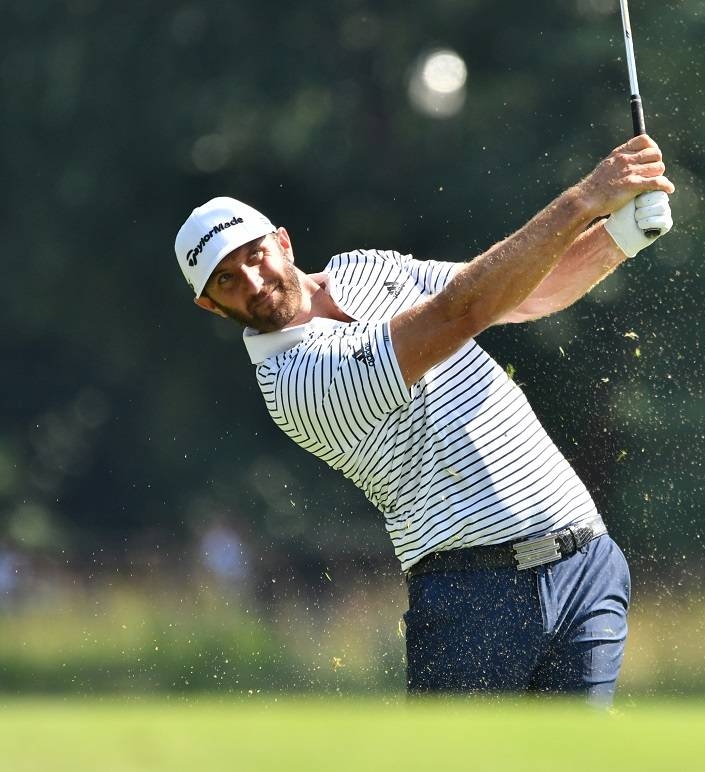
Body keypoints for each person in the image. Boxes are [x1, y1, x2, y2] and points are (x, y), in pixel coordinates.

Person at [174, 134, 675, 704]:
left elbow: (521, 294)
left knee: (583, 752)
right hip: (472, 594)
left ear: (282, 242)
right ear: (211, 305)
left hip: (585, 563)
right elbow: (461, 312)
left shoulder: (363, 267)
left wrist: (619, 235)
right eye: (227, 280)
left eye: (254, 256)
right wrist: (585, 200)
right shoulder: (292, 381)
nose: (253, 282)